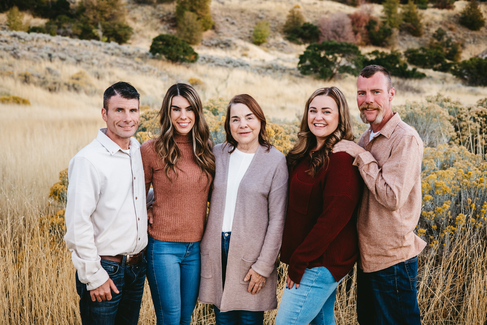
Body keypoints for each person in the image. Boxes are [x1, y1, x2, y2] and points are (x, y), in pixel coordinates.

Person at [333, 65, 426, 324]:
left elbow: (391, 197)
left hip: (393, 261)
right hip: (368, 260)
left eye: (376, 91)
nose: (368, 100)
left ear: (391, 94)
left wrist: (361, 156)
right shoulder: (366, 137)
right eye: (362, 93)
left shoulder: (404, 138)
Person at [275, 87, 362, 325]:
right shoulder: (304, 153)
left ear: (340, 117)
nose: (318, 117)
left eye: (326, 111)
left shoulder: (341, 159)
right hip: (309, 259)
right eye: (313, 111)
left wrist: (299, 262)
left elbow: (333, 218)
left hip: (319, 263)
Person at [198, 94, 288, 325]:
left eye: (249, 117)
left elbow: (278, 220)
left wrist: (263, 267)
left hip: (252, 258)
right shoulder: (218, 154)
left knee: (249, 319)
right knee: (223, 319)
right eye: (235, 119)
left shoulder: (275, 161)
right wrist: (150, 204)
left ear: (260, 120)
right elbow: (189, 188)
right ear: (228, 124)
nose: (243, 125)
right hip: (218, 252)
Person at [64, 81, 148, 325]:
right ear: (104, 113)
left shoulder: (136, 150)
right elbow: (77, 223)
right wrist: (94, 276)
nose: (127, 118)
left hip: (135, 268)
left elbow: (130, 200)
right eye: (119, 110)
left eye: (133, 110)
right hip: (105, 269)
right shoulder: (88, 160)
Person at [141, 83, 215, 325]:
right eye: (176, 109)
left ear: (197, 112)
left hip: (195, 248)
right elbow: (135, 196)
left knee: (185, 318)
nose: (183, 116)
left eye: (189, 109)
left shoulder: (207, 150)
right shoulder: (152, 149)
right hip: (163, 248)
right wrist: (149, 206)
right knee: (170, 319)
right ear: (167, 112)